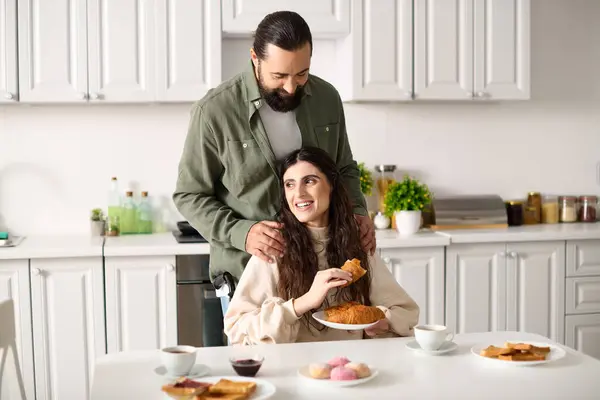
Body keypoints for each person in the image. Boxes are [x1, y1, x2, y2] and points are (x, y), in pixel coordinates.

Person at [173, 11, 375, 313]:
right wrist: (242, 232)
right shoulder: (214, 111)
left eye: (302, 74)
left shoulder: (327, 98)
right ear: (255, 58)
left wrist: (358, 211)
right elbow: (189, 195)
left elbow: (343, 168)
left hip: (320, 273)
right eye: (279, 76)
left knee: (326, 361)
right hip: (248, 277)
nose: (292, 87)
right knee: (256, 360)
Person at [223, 147, 419, 345]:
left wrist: (384, 322)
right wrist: (304, 302)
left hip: (351, 365)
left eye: (309, 181)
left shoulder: (356, 243)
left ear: (331, 185)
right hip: (292, 368)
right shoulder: (275, 246)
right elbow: (236, 328)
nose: (298, 193)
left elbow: (406, 312)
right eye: (290, 185)